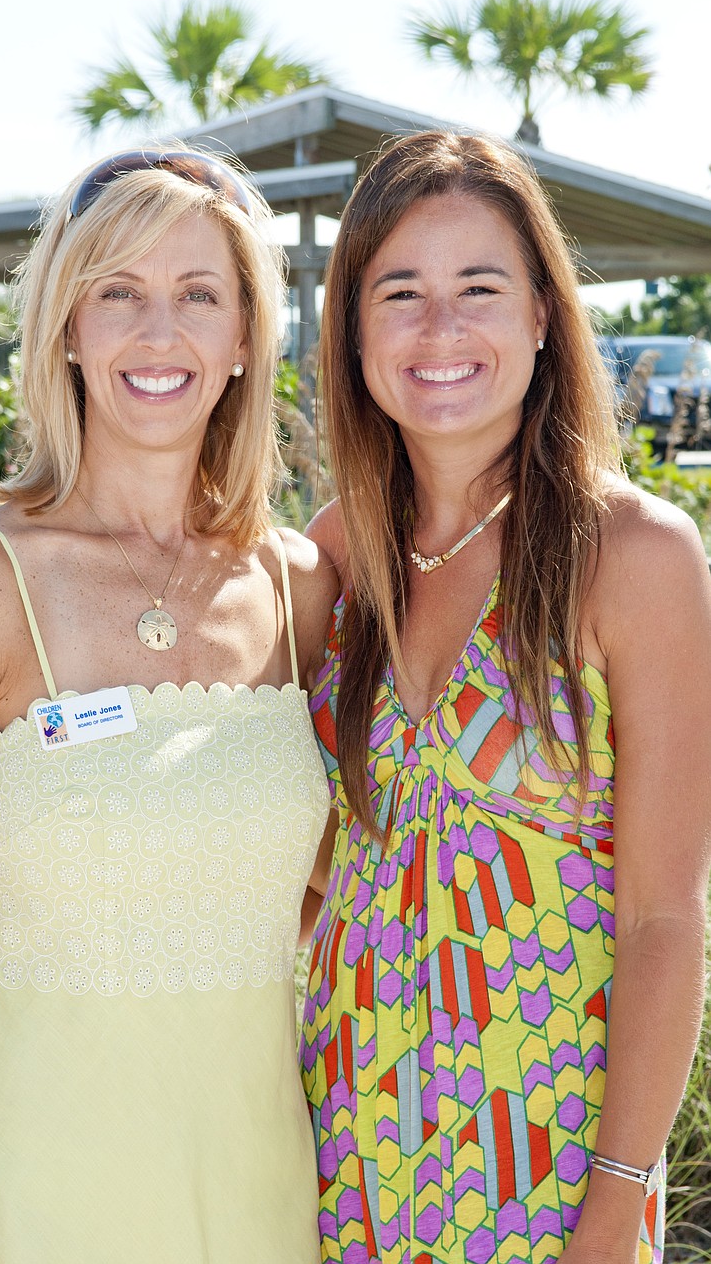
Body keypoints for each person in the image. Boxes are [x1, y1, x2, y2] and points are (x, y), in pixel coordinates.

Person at [0, 147, 337, 1263]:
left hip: (266, 1192)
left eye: (198, 296)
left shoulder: (302, 590)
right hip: (29, 1194)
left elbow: (342, 891)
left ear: (240, 344)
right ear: (67, 328)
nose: (157, 331)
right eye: (118, 291)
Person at [299, 130, 711, 1264]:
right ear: (354, 331)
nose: (440, 330)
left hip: (551, 1175)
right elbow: (296, 868)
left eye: (477, 288)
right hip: (342, 1154)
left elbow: (666, 918)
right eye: (400, 293)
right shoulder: (334, 559)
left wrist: (614, 1206)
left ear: (540, 312)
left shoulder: (632, 553)